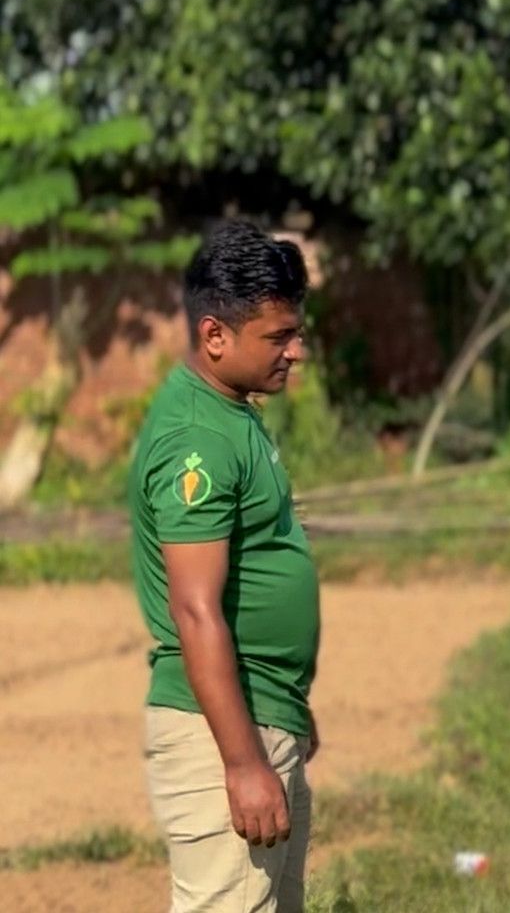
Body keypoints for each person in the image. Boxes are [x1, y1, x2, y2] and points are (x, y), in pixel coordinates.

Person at [130, 219, 318, 912]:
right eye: (278, 337)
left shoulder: (231, 413)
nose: (295, 351)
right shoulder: (198, 440)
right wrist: (242, 761)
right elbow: (195, 608)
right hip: (221, 737)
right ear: (215, 336)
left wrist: (286, 710)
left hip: (259, 712)